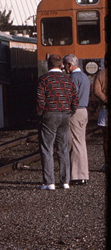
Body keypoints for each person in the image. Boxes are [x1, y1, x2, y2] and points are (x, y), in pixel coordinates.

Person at [35, 54, 77, 190]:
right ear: (61, 65)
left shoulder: (43, 79)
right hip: (65, 115)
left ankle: (49, 182)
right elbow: (74, 98)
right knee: (63, 148)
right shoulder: (68, 80)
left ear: (48, 65)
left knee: (47, 148)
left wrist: (40, 114)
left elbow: (39, 99)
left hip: (49, 115)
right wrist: (70, 111)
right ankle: (65, 181)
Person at [63, 54, 91, 185]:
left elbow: (71, 97)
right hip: (83, 110)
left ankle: (77, 176)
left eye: (65, 65)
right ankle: (83, 174)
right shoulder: (84, 77)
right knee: (80, 143)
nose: (64, 68)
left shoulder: (73, 78)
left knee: (74, 144)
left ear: (70, 65)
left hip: (75, 111)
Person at [93, 67, 108, 172]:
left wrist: (106, 100)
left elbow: (97, 91)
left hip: (105, 109)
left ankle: (107, 164)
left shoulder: (101, 74)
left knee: (106, 138)